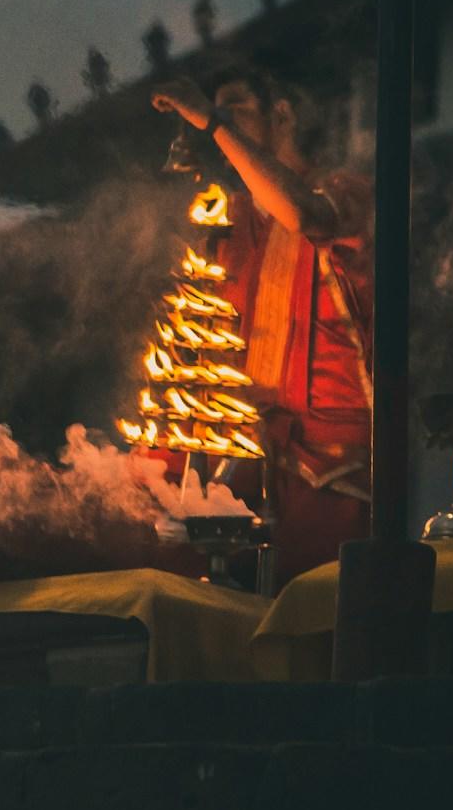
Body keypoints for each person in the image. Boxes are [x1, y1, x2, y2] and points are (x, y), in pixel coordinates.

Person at [153, 70, 372, 585]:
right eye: (220, 111)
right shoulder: (231, 216)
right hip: (245, 463)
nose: (218, 124)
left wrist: (213, 122)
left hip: (330, 471)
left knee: (315, 615)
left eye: (237, 106)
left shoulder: (346, 192)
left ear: (283, 115)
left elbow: (303, 214)